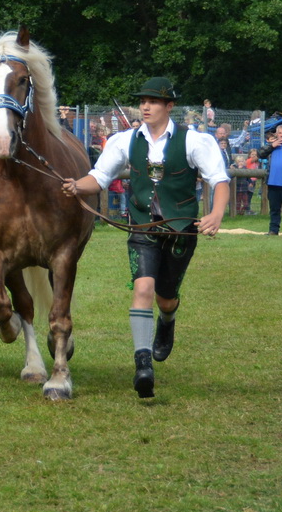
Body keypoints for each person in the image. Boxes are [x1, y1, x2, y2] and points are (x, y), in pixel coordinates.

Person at [62, 77, 229, 399]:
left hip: (180, 230)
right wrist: (75, 186)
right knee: (143, 288)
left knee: (166, 296)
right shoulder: (125, 140)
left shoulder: (195, 141)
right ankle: (142, 365)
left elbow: (219, 179)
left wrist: (216, 213)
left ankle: (168, 318)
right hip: (142, 228)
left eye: (153, 101)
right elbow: (99, 176)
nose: (146, 106)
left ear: (169, 106)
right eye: (142, 101)